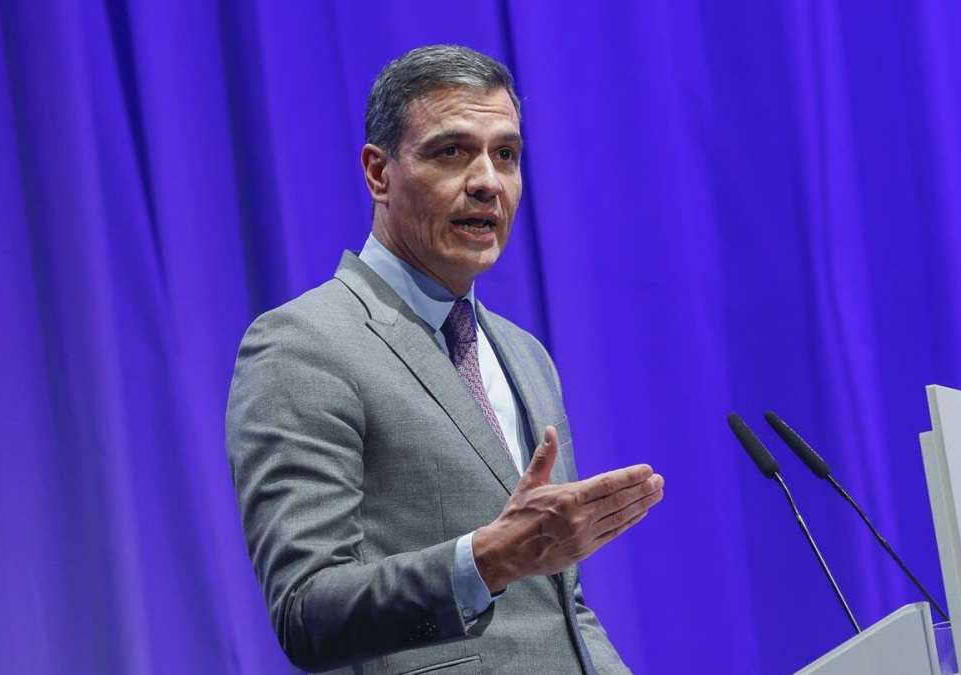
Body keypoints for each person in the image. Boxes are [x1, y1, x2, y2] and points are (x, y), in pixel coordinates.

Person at [226, 44, 664, 674]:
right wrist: (486, 561)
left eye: (505, 154)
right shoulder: (303, 344)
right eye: (452, 151)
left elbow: (560, 605)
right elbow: (307, 611)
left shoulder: (526, 355)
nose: (487, 181)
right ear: (379, 173)